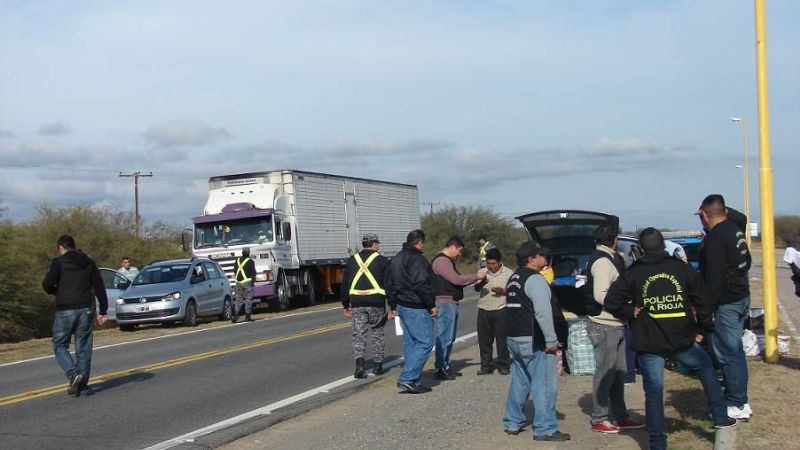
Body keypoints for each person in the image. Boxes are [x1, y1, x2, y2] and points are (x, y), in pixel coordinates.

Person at [605, 227, 736, 450]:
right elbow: (702, 299)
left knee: (654, 392)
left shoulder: (634, 272)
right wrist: (705, 328)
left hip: (649, 341)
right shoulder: (681, 268)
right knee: (706, 369)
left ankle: (657, 442)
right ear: (664, 246)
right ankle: (720, 417)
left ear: (641, 249)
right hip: (681, 338)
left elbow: (611, 302)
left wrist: (629, 312)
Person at [502, 241, 571, 442]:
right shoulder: (535, 279)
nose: (546, 258)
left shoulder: (514, 277)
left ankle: (513, 422)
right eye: (541, 255)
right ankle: (545, 428)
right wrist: (551, 340)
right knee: (544, 384)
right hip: (534, 339)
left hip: (514, 337)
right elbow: (542, 312)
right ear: (530, 259)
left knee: (520, 381)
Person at [697, 194, 753, 421]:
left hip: (727, 303)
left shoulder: (715, 239)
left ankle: (737, 402)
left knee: (730, 354)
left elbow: (714, 279)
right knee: (735, 351)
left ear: (704, 215)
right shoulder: (735, 227)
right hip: (740, 296)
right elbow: (742, 216)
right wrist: (719, 208)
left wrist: (705, 312)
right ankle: (737, 397)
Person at [585, 225, 644, 434]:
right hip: (604, 325)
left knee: (619, 372)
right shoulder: (602, 262)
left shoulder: (611, 258)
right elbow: (601, 295)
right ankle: (599, 417)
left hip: (615, 324)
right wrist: (627, 308)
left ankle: (621, 415)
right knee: (605, 372)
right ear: (615, 239)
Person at [41, 235, 109, 397]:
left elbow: (47, 284)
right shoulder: (88, 262)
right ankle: (82, 386)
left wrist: (56, 291)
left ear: (60, 247)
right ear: (74, 245)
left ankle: (73, 374)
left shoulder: (59, 262)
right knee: (83, 348)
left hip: (65, 309)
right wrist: (103, 311)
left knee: (59, 345)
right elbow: (99, 287)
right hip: (85, 309)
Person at [431, 236, 485, 380]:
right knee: (445, 336)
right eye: (459, 251)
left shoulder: (446, 261)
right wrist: (477, 276)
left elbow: (458, 282)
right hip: (445, 302)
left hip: (450, 301)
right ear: (453, 247)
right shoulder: (442, 261)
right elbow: (455, 279)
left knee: (449, 336)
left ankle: (445, 365)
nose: (460, 254)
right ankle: (441, 367)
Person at [389, 229, 437, 394]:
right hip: (416, 305)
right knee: (425, 342)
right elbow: (421, 283)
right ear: (420, 242)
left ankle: (413, 380)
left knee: (411, 344)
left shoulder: (396, 258)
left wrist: (393, 305)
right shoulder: (417, 258)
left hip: (402, 305)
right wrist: (431, 303)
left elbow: (391, 284)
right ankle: (407, 378)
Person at [341, 233, 393, 378]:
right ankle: (378, 367)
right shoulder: (383, 261)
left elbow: (345, 284)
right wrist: (393, 306)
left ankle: (359, 366)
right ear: (375, 244)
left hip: (357, 303)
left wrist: (346, 304)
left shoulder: (352, 260)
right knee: (378, 334)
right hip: (376, 303)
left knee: (359, 335)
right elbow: (389, 285)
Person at [474, 248, 513, 375]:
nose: (491, 266)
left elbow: (514, 292)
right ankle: (486, 366)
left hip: (501, 309)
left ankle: (504, 365)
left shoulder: (509, 273)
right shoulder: (482, 272)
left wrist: (503, 291)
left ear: (500, 262)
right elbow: (476, 288)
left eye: (494, 264)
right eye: (489, 264)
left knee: (502, 340)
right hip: (484, 310)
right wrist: (482, 282)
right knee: (484, 341)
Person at [232, 247, 256, 323]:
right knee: (248, 299)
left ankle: (236, 315)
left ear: (242, 252)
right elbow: (253, 273)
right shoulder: (250, 261)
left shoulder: (237, 261)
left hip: (238, 283)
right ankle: (247, 316)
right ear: (248, 253)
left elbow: (235, 271)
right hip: (247, 282)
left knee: (238, 299)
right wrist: (252, 281)